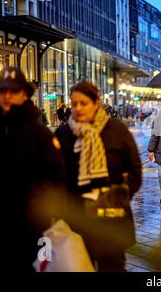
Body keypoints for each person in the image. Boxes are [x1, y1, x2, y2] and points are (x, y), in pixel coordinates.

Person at [0, 67, 66, 272]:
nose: (7, 95)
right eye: (2, 90)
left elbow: (57, 181)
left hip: (30, 230)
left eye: (13, 90)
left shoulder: (41, 136)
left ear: (25, 94)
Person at [55, 81, 142, 272]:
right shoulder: (63, 134)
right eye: (74, 103)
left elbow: (135, 170)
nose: (77, 108)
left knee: (113, 267)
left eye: (83, 103)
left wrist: (120, 196)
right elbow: (55, 175)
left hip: (110, 216)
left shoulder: (116, 130)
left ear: (96, 102)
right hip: (76, 217)